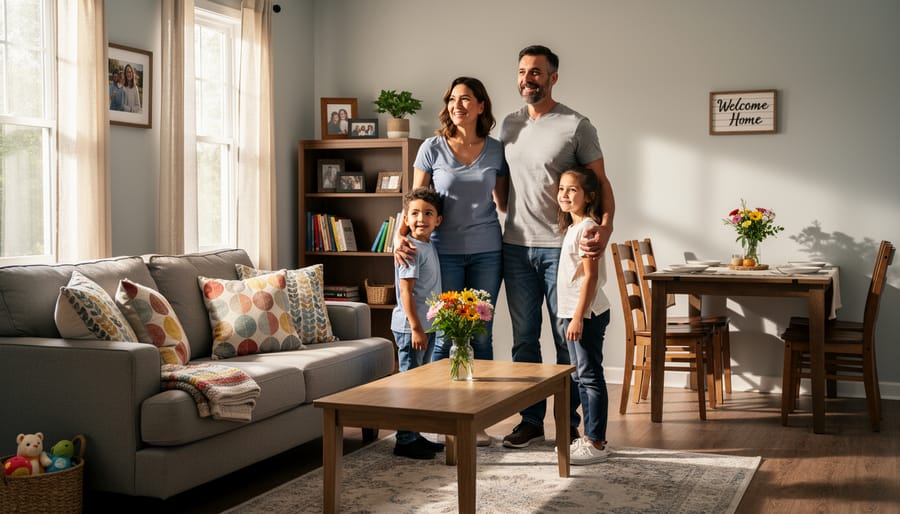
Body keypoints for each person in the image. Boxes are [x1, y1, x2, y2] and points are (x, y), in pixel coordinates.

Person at [499, 44, 615, 449]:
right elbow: (505, 183)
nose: (527, 79)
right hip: (514, 247)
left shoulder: (575, 125)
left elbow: (600, 184)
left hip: (558, 249)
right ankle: (530, 420)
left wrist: (606, 227)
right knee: (523, 340)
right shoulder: (508, 125)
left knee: (566, 336)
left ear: (553, 77)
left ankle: (567, 423)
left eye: (535, 72)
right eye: (521, 72)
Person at [393, 77, 508, 446]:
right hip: (444, 253)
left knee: (481, 335)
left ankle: (479, 421)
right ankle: (445, 417)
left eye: (466, 99)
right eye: (453, 99)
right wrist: (400, 236)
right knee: (445, 334)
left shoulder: (496, 150)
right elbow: (413, 200)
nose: (458, 105)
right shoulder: (431, 147)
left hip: (488, 250)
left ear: (480, 106)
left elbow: (503, 204)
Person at [556, 166, 611, 465]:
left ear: (588, 196)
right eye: (562, 188)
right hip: (574, 313)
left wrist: (577, 317)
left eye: (572, 189)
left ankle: (597, 442)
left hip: (586, 314)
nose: (565, 194)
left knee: (589, 377)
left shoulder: (588, 229)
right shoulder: (574, 228)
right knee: (580, 376)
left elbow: (590, 279)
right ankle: (589, 438)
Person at [389, 186, 446, 460]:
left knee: (421, 383)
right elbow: (406, 292)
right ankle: (404, 440)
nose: (421, 218)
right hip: (411, 328)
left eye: (428, 213)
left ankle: (414, 434)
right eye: (414, 213)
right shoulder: (409, 249)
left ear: (438, 220)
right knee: (410, 383)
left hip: (426, 326)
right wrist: (415, 327)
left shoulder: (427, 244)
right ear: (405, 218)